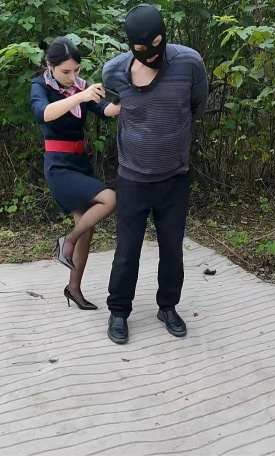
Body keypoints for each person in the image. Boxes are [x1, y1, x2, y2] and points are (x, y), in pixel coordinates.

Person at [101, 4, 208, 344]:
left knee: (172, 248)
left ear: (164, 36)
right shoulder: (113, 72)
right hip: (132, 178)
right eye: (141, 48)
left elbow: (197, 106)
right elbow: (113, 107)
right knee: (127, 250)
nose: (150, 53)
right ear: (130, 45)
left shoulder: (189, 63)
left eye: (156, 45)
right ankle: (119, 312)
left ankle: (168, 307)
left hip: (174, 177)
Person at [30, 36, 120, 310]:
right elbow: (42, 113)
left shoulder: (81, 86)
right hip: (59, 166)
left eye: (77, 70)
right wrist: (80, 95)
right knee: (110, 198)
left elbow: (106, 110)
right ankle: (66, 241)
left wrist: (128, 100)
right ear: (50, 66)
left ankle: (73, 288)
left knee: (87, 228)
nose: (72, 77)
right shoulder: (41, 86)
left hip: (80, 162)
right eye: (65, 72)